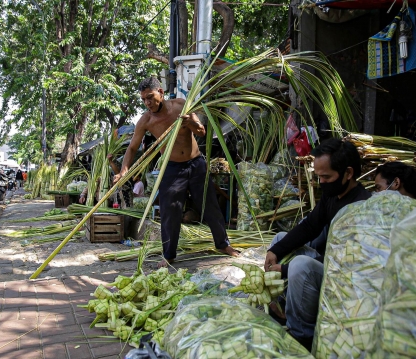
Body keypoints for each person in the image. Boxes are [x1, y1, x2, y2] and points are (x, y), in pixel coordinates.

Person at [113, 77, 239, 268]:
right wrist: (123, 171)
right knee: (169, 211)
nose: (147, 103)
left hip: (196, 164)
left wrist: (190, 123)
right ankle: (169, 254)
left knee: (210, 205)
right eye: (144, 100)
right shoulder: (146, 120)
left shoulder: (181, 106)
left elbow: (202, 132)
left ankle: (223, 245)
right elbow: (132, 148)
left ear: (161, 93)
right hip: (172, 168)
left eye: (150, 97)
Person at [264, 138, 371, 350]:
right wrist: (275, 251)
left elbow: (343, 259)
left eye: (326, 177)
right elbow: (309, 226)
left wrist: (284, 269)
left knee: (299, 265)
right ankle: (281, 305)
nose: (320, 182)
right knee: (280, 239)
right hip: (329, 263)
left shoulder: (361, 207)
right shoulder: (333, 195)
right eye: (318, 176)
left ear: (348, 173)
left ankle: (301, 334)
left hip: (343, 276)